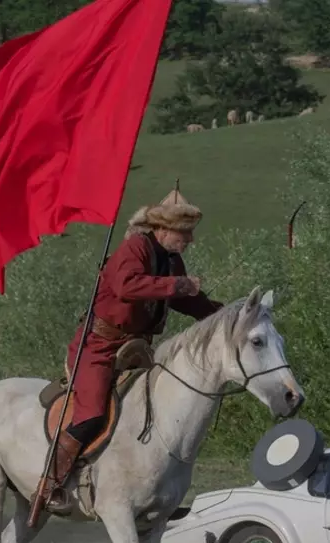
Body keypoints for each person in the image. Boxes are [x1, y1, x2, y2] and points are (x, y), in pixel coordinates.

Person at [30, 187, 223, 523]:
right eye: (184, 232)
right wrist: (177, 285)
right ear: (162, 230)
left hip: (134, 348)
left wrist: (221, 315)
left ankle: (151, 491)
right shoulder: (133, 248)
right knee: (90, 413)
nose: (189, 239)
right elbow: (127, 287)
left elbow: (187, 301)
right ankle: (50, 484)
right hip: (99, 346)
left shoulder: (171, 259)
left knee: (155, 409)